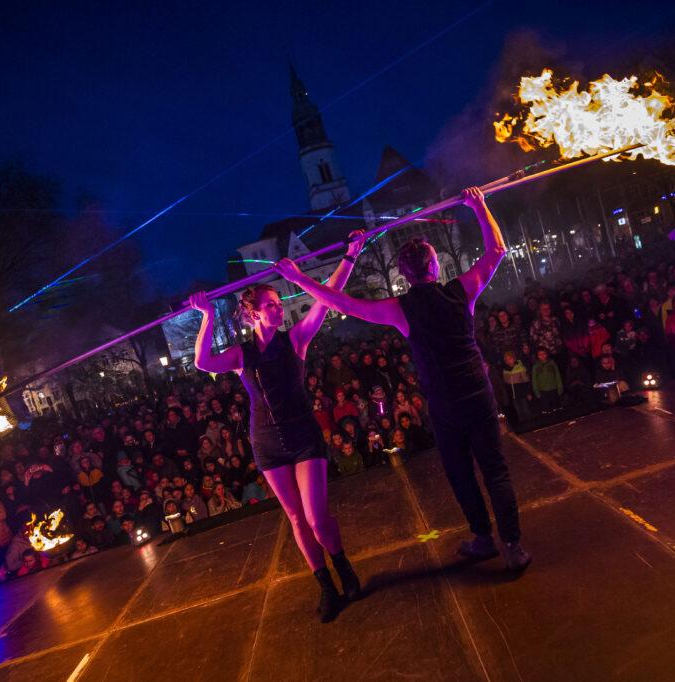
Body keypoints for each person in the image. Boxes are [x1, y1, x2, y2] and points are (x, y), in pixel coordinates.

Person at [276, 187, 530, 571]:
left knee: (461, 474)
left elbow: (342, 304)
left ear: (405, 274)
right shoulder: (460, 290)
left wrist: (301, 280)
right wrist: (480, 206)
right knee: (493, 470)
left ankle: (483, 537)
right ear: (434, 267)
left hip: (445, 404)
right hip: (476, 395)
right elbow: (496, 250)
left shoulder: (400, 309)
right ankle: (510, 546)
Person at [190, 233, 367, 622]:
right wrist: (206, 316)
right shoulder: (242, 354)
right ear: (253, 314)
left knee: (318, 517)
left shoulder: (296, 340)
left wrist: (349, 256)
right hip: (267, 442)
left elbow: (326, 297)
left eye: (279, 303)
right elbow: (202, 362)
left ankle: (344, 568)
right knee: (296, 519)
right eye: (271, 305)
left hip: (304, 436)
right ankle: (326, 587)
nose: (280, 309)